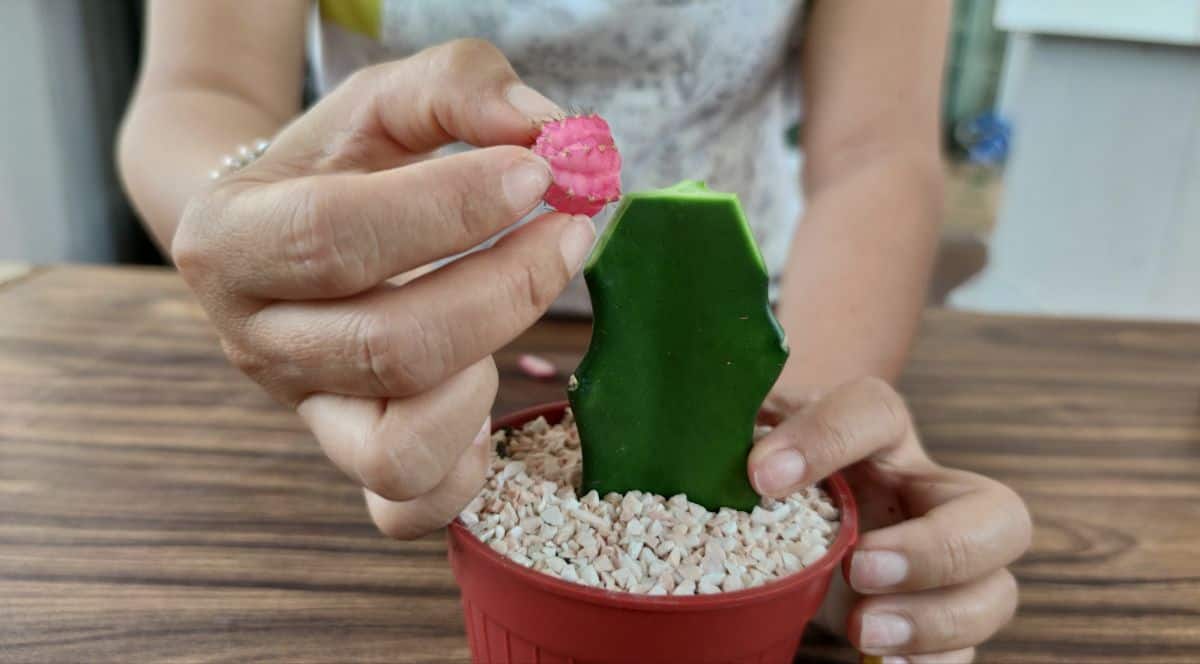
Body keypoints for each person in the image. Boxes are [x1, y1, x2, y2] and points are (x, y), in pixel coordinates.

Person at [117, 2, 1031, 661]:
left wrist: (798, 448)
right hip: (378, 328)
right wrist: (253, 221)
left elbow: (876, 147)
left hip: (750, 320)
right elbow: (202, 86)